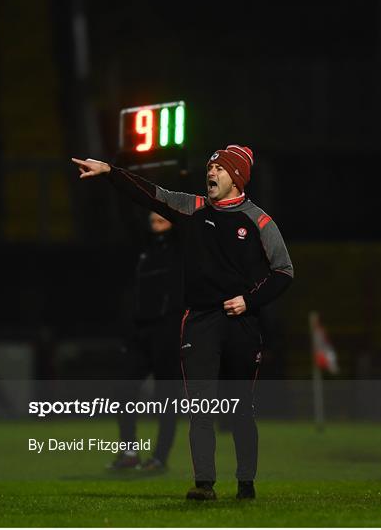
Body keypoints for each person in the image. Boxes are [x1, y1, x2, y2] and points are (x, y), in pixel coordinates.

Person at [72, 145, 294, 501]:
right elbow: (150, 194)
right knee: (201, 407)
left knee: (240, 411)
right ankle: (204, 484)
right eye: (210, 167)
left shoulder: (260, 221)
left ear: (236, 178)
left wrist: (248, 301)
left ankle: (246, 485)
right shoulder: (192, 209)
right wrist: (110, 172)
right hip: (200, 322)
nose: (211, 173)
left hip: (242, 324)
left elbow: (284, 272)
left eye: (220, 169)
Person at [109, 211, 182, 471]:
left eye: (161, 216)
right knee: (123, 390)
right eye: (151, 217)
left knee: (167, 398)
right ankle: (129, 452)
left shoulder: (182, 248)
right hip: (140, 334)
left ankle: (160, 457)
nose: (155, 221)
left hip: (167, 334)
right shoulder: (143, 251)